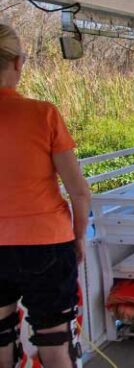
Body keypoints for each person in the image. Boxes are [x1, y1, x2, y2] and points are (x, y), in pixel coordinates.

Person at [0, 24, 91, 368]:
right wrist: (78, 236)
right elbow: (79, 191)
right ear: (18, 63)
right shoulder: (43, 115)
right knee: (54, 340)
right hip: (46, 242)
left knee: (1, 337)